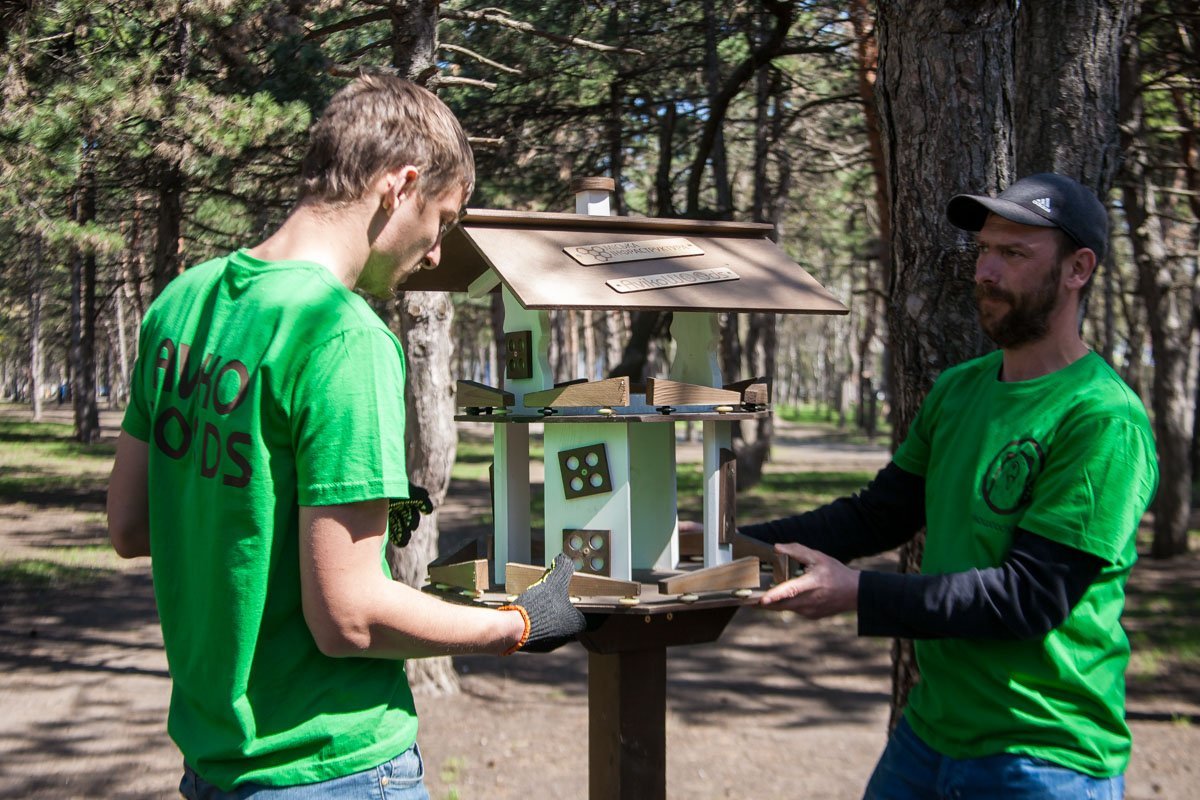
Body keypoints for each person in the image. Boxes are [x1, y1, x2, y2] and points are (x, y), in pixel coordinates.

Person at [106, 74, 585, 799]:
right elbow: (350, 619)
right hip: (333, 763)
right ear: (401, 184)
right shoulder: (344, 336)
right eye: (445, 221)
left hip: (214, 761)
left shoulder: (182, 303)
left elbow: (131, 523)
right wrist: (518, 624)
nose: (434, 253)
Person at [740, 173, 1158, 799]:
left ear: (1078, 269)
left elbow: (1030, 598)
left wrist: (857, 593)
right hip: (930, 733)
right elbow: (878, 515)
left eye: (1013, 254)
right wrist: (729, 541)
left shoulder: (1102, 419)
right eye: (984, 250)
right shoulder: (960, 389)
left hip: (1043, 754)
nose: (985, 271)